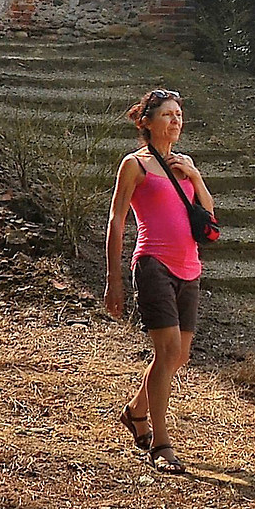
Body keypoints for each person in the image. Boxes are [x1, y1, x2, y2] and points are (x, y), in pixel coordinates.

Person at [103, 87, 214, 475]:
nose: (176, 121)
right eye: (168, 115)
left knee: (178, 355)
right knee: (167, 352)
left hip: (190, 267)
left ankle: (135, 411)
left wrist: (196, 176)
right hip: (153, 265)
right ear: (146, 123)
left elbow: (207, 212)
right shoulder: (133, 165)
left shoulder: (185, 164)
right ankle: (160, 441)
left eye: (179, 115)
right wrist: (113, 279)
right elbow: (117, 220)